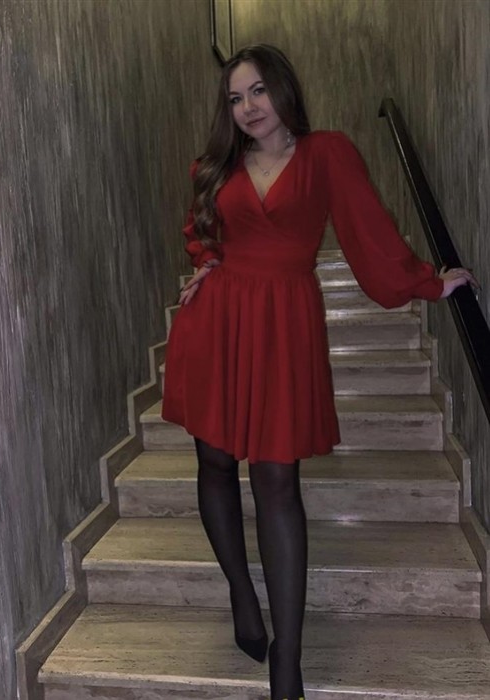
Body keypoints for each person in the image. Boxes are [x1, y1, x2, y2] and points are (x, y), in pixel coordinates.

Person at [161, 44, 476, 700]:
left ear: (282, 89)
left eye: (256, 91)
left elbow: (369, 232)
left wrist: (427, 282)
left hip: (283, 323)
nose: (247, 107)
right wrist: (207, 262)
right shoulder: (216, 166)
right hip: (217, 323)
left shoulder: (326, 153)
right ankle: (241, 593)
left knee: (277, 481)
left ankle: (289, 654)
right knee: (214, 462)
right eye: (235, 98)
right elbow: (202, 231)